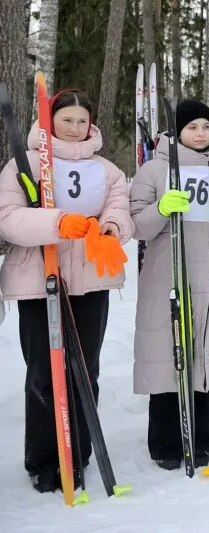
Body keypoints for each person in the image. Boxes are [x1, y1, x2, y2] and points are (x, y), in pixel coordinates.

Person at [0, 89, 131, 493]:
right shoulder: (24, 164)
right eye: (66, 120)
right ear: (51, 120)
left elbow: (118, 204)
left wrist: (111, 227)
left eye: (81, 121)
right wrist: (56, 223)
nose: (75, 129)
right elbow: (8, 218)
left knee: (84, 370)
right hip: (40, 278)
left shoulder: (107, 169)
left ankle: (79, 453)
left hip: (91, 279)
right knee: (45, 371)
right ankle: (43, 458)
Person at [129, 100, 209, 470]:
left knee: (206, 353)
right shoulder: (154, 170)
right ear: (177, 132)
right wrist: (161, 209)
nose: (201, 133)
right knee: (170, 352)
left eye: (206, 126)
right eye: (192, 127)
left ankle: (202, 438)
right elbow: (135, 225)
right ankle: (167, 441)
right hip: (169, 272)